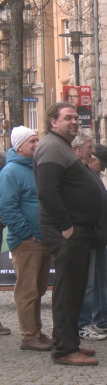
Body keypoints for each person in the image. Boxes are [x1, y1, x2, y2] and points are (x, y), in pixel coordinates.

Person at [35, 102, 104, 366]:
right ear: (53, 121)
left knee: (74, 289)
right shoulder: (51, 146)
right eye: (68, 118)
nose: (74, 122)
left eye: (76, 118)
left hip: (75, 229)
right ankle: (64, 349)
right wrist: (66, 226)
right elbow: (47, 192)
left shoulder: (60, 145)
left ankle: (70, 341)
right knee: (67, 290)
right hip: (65, 231)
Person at [0, 126, 52, 350]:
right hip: (27, 242)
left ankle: (37, 332)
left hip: (42, 238)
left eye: (37, 140)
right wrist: (26, 235)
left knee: (38, 289)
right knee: (27, 290)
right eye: (32, 141)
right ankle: (28, 336)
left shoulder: (35, 167)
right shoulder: (10, 172)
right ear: (19, 146)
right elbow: (6, 207)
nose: (36, 144)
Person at [77, 144, 107, 341]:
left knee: (101, 280)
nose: (103, 168)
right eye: (101, 163)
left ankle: (101, 319)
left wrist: (106, 201)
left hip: (100, 237)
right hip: (90, 236)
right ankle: (83, 323)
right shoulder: (82, 174)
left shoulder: (93, 175)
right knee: (89, 283)